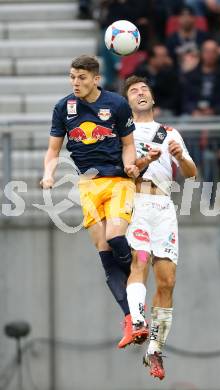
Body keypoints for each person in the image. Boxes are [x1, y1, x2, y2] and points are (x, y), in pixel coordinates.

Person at [40, 54, 144, 349]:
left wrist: (130, 165)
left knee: (114, 237)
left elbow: (128, 144)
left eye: (82, 77)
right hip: (87, 185)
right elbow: (53, 151)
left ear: (96, 79)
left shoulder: (116, 105)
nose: (76, 82)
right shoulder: (63, 108)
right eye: (72, 76)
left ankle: (139, 266)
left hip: (117, 182)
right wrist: (49, 174)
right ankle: (131, 318)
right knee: (104, 251)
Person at [123, 76, 197, 380]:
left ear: (153, 99)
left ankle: (155, 347)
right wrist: (143, 161)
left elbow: (191, 174)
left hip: (164, 208)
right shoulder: (123, 132)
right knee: (139, 260)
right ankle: (137, 320)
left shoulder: (170, 133)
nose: (140, 93)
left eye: (144, 90)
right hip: (138, 202)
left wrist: (180, 157)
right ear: (127, 101)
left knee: (167, 281)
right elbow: (124, 171)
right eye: (133, 91)